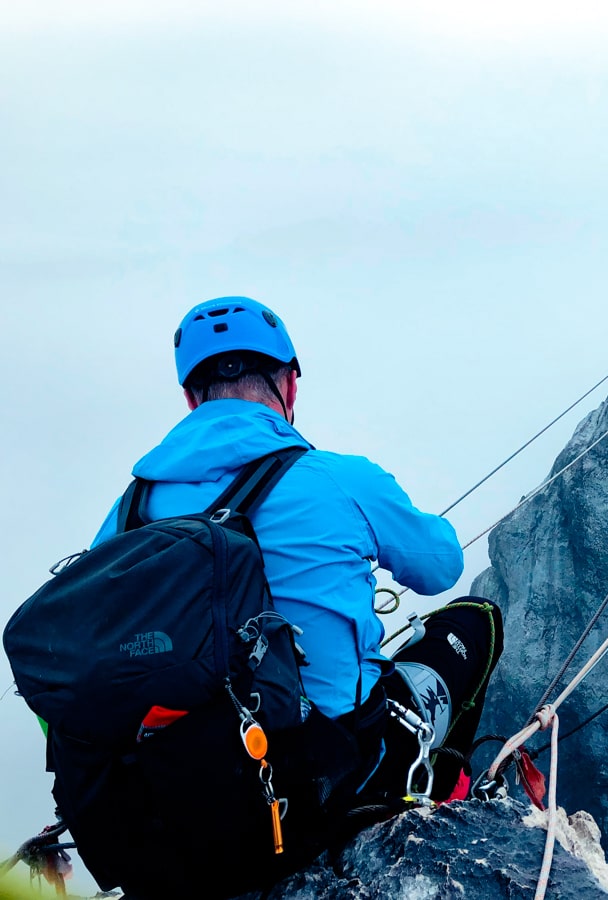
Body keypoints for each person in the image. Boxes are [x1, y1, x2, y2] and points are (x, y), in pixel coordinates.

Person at [92, 297, 503, 843]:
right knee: (478, 620)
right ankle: (431, 803)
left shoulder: (128, 510)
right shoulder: (340, 479)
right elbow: (442, 566)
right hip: (325, 785)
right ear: (289, 385)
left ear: (191, 398)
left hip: (181, 795)